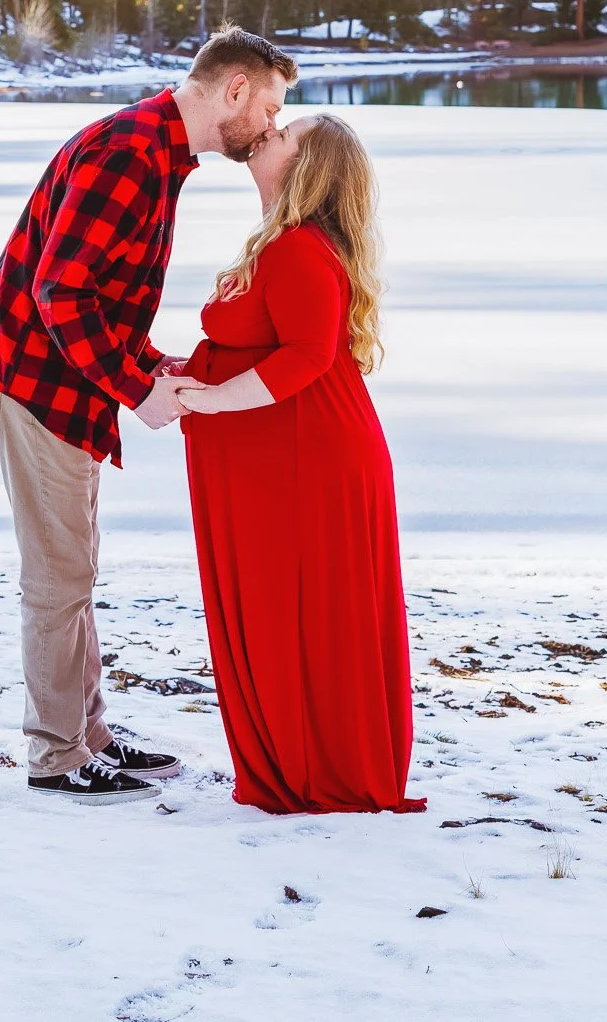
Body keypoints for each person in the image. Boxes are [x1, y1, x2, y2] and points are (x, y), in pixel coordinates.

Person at [0, 26, 298, 805]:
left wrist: (152, 365)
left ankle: (89, 735)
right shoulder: (130, 153)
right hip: (27, 378)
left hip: (56, 377)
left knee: (74, 562)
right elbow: (59, 292)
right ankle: (54, 755)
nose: (273, 128)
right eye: (271, 108)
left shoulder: (158, 153)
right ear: (233, 90)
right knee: (58, 571)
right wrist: (135, 389)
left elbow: (100, 295)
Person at [177, 114, 425, 814]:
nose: (269, 131)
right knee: (292, 613)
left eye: (285, 132)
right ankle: (304, 758)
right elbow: (265, 343)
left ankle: (321, 769)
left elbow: (307, 355)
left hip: (310, 465)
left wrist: (216, 398)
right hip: (296, 460)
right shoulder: (286, 246)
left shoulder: (297, 249)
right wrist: (183, 374)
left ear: (306, 166)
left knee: (306, 615)